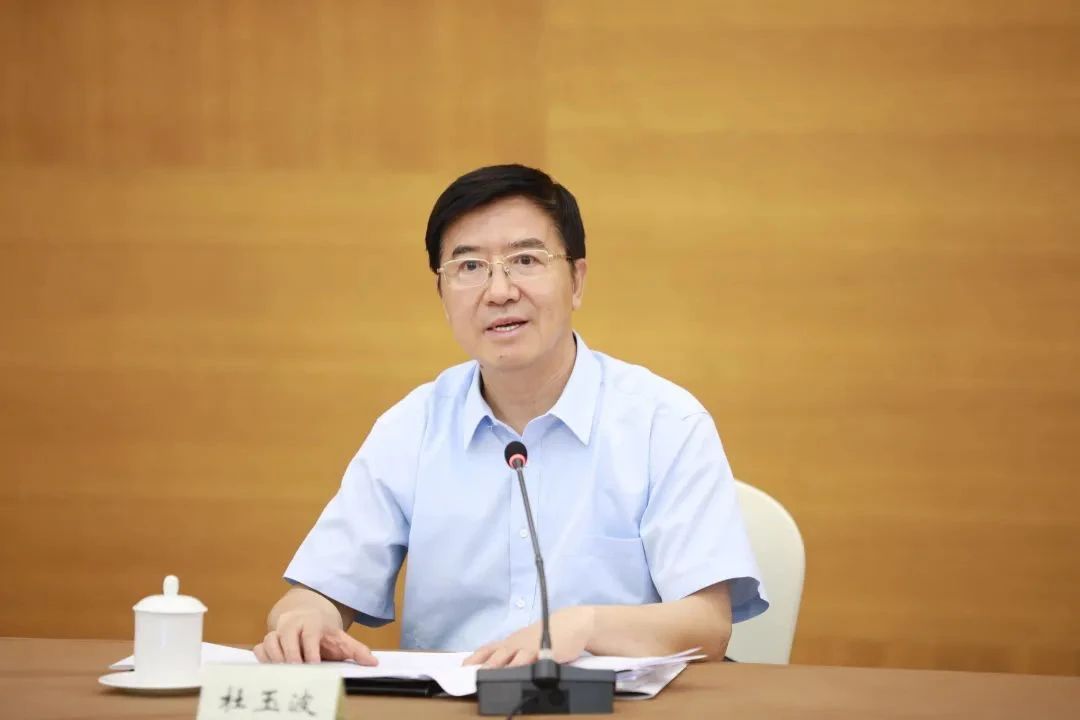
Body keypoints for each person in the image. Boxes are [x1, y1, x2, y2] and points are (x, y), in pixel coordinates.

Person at [254, 164, 767, 668]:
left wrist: (586, 626)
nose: (499, 291)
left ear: (577, 280)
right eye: (469, 267)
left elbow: (707, 626)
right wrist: (304, 619)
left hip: (611, 706)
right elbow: (319, 592)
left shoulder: (664, 423)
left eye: (525, 260)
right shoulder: (411, 428)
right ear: (443, 296)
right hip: (451, 705)